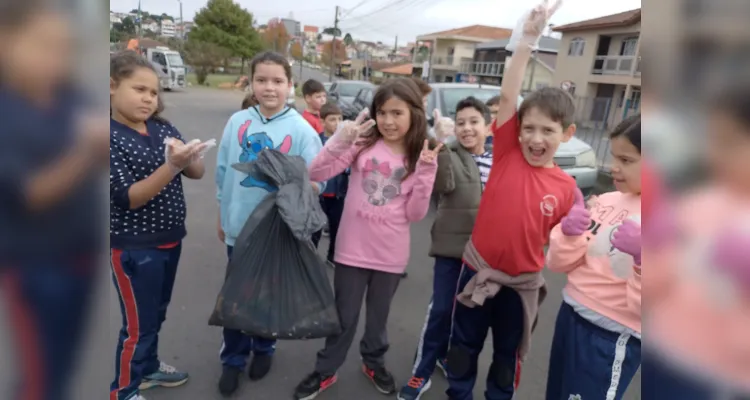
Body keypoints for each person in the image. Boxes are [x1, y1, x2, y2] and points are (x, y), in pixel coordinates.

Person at [445, 2, 575, 399]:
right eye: (529, 128)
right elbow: (508, 92)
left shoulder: (567, 188)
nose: (536, 139)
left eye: (547, 131)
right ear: (515, 131)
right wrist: (527, 42)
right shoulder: (505, 153)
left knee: (505, 361)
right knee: (463, 351)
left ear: (566, 134)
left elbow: (563, 244)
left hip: (520, 288)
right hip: (476, 272)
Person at [293, 78, 441, 400]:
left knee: (378, 318)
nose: (388, 121)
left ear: (414, 113)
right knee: (343, 317)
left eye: (397, 113)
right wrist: (339, 140)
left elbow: (416, 214)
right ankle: (326, 369)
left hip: (390, 255)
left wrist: (427, 173)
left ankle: (373, 362)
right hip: (351, 250)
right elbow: (316, 173)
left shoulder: (420, 155)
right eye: (383, 112)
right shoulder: (362, 144)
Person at [0, 4, 107, 400]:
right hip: (34, 270)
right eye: (44, 45)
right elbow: (31, 194)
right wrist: (87, 150)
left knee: (62, 371)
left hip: (80, 259)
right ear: (5, 43)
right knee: (39, 382)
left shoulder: (69, 96)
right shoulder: (7, 110)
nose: (56, 58)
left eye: (64, 48)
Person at [215, 51, 325, 397]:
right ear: (251, 82)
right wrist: (223, 214)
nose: (269, 87)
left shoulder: (303, 131)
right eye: (261, 79)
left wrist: (300, 186)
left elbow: (317, 181)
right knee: (236, 295)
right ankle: (233, 358)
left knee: (267, 296)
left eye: (277, 81)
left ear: (289, 85)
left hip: (277, 232)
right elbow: (222, 173)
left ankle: (264, 349)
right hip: (238, 227)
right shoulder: (237, 123)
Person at [110, 50, 209, 400]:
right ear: (110, 87)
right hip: (134, 247)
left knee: (156, 315)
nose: (149, 98)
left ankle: (148, 368)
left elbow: (196, 173)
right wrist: (171, 166)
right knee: (137, 327)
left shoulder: (162, 127)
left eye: (153, 93)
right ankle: (124, 389)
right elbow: (128, 197)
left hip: (170, 240)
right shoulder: (108, 136)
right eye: (139, 89)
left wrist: (190, 157)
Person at [641, 82, 750, 398]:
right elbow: (655, 287)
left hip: (717, 379)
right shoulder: (699, 204)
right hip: (662, 356)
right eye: (714, 140)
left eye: (730, 142)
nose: (715, 153)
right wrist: (654, 251)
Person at [398, 97, 493, 400]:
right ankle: (421, 372)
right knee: (440, 311)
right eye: (461, 122)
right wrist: (439, 141)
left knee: (467, 316)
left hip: (486, 256)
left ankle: (444, 357)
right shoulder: (448, 152)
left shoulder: (499, 162)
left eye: (474, 122)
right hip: (452, 251)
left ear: (488, 126)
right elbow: (443, 186)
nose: (467, 128)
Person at [545, 114, 642, 400]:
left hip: (610, 336)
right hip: (571, 314)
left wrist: (643, 259)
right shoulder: (606, 200)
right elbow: (559, 263)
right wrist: (568, 233)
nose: (614, 167)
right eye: (614, 157)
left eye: (626, 160)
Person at [310, 102, 347, 263]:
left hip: (338, 194)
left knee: (337, 228)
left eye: (340, 119)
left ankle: (332, 256)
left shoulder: (346, 143)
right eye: (333, 119)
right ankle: (310, 258)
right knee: (315, 229)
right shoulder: (315, 141)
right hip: (318, 194)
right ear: (323, 121)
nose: (337, 123)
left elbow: (350, 166)